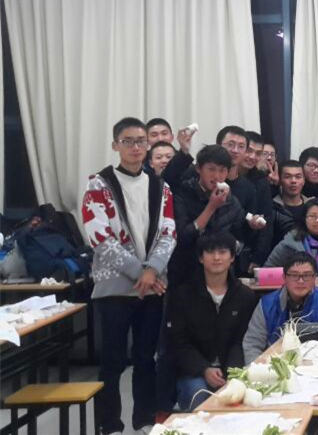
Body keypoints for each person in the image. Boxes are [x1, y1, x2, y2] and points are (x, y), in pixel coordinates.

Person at [82, 117, 177, 435]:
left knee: (146, 357)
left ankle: (145, 419)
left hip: (151, 286)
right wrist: (142, 272)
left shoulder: (160, 186)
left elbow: (169, 233)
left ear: (148, 145)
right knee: (112, 360)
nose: (135, 147)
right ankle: (109, 424)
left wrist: (153, 269)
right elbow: (100, 237)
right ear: (115, 145)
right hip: (115, 287)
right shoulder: (99, 185)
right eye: (128, 141)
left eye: (140, 141)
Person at [168, 232, 257, 411]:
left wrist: (232, 372)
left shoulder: (245, 295)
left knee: (246, 396)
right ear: (201, 258)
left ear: (232, 257)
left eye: (223, 252)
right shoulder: (183, 295)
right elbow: (178, 342)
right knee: (198, 392)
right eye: (210, 252)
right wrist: (204, 369)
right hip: (194, 372)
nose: (217, 258)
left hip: (232, 369)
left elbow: (242, 340)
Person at [168, 146, 250, 288]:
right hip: (186, 275)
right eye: (211, 169)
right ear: (199, 169)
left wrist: (251, 226)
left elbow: (239, 238)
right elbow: (183, 238)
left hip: (222, 276)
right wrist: (211, 207)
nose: (217, 176)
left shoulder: (232, 201)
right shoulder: (183, 194)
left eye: (222, 170)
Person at [243, 252, 318, 363]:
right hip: (273, 365)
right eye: (294, 275)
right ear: (284, 277)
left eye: (307, 275)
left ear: (314, 278)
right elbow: (252, 344)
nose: (300, 281)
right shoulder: (266, 304)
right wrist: (256, 368)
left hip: (313, 366)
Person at [265, 199, 318, 275]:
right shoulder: (289, 243)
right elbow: (268, 270)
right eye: (312, 216)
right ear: (304, 219)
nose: (317, 220)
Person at [272, 160, 313, 244]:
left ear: (304, 180)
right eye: (287, 177)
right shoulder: (272, 208)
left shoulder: (313, 207)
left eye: (298, 177)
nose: (293, 181)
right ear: (280, 180)